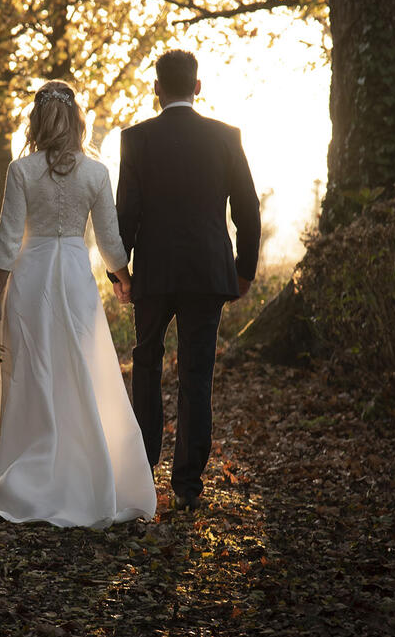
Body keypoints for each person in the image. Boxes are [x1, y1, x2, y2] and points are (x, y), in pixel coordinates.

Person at [0, 80, 157, 528]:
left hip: (31, 279)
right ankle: (89, 476)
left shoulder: (22, 170)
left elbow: (9, 240)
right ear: (77, 120)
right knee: (82, 369)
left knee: (34, 372)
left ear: (36, 120)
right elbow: (112, 243)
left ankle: (30, 479)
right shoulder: (96, 173)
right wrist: (124, 280)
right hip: (75, 277)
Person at [110, 49, 260, 511]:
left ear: (156, 90)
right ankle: (188, 485)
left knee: (148, 365)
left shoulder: (135, 139)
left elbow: (126, 212)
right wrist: (243, 271)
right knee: (197, 375)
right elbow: (248, 208)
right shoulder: (225, 136)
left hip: (153, 274)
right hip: (206, 273)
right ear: (197, 87)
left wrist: (122, 272)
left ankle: (144, 465)